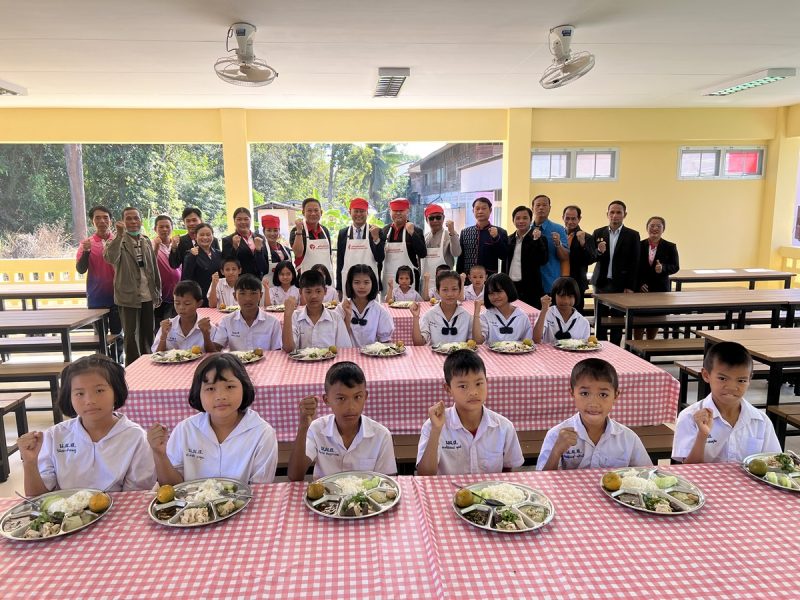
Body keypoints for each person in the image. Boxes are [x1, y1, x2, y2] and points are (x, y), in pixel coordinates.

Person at [18, 355, 156, 495]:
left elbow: (136, 496)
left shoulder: (135, 437)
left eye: (99, 391)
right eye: (79, 393)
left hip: (119, 512)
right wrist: (30, 463)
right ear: (69, 397)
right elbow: (36, 498)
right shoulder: (55, 436)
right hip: (65, 514)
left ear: (116, 391)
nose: (89, 400)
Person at [147, 354, 278, 484]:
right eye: (210, 388)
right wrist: (160, 454)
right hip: (192, 505)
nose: (220, 396)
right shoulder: (185, 430)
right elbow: (173, 487)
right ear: (198, 393)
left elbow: (261, 490)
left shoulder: (262, 434)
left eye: (230, 387)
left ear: (244, 387)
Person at [416, 350, 523, 475]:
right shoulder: (433, 425)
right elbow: (424, 475)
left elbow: (508, 470)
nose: (473, 392)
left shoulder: (504, 427)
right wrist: (436, 430)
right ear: (448, 389)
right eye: (463, 386)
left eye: (479, 383)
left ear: (486, 382)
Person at [672, 342, 780, 464]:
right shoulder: (689, 417)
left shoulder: (760, 421)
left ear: (750, 379)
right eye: (722, 378)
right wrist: (702, 435)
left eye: (741, 380)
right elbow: (689, 470)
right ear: (706, 375)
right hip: (704, 482)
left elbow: (774, 462)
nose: (732, 387)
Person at [287, 361, 397, 481]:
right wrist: (303, 426)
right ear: (326, 399)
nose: (350, 407)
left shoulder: (381, 435)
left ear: (365, 396)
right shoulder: (317, 428)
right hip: (326, 497)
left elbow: (388, 484)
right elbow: (295, 476)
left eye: (357, 397)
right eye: (341, 398)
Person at [537, 358, 652, 470]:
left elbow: (648, 474)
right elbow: (542, 481)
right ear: (572, 393)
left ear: (616, 396)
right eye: (585, 393)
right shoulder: (556, 435)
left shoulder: (628, 438)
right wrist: (556, 451)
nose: (593, 403)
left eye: (603, 395)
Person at [104, 207, 161, 365]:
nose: (133, 222)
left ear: (141, 221)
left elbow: (153, 268)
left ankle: (150, 366)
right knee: (131, 336)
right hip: (128, 296)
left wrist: (157, 290)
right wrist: (119, 235)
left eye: (136, 218)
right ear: (122, 221)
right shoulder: (115, 241)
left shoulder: (146, 240)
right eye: (129, 218)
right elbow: (110, 258)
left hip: (148, 294)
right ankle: (133, 369)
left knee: (148, 334)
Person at [591, 200, 641, 345]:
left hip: (621, 285)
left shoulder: (632, 235)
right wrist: (598, 251)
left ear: (625, 214)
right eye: (612, 212)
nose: (615, 215)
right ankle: (600, 348)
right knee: (600, 320)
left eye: (618, 212)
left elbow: (635, 263)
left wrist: (631, 286)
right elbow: (592, 257)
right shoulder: (598, 232)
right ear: (607, 214)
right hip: (600, 282)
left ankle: (615, 349)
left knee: (617, 321)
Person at [76, 205, 121, 337]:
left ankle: (117, 358)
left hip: (118, 298)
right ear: (92, 222)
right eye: (98, 218)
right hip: (96, 298)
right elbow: (81, 269)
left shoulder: (119, 242)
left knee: (118, 336)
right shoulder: (86, 243)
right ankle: (100, 358)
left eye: (105, 218)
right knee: (99, 337)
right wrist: (86, 252)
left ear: (110, 221)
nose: (102, 221)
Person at [282, 269, 352, 352]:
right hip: (303, 364)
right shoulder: (295, 317)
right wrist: (287, 315)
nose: (314, 296)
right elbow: (288, 348)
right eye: (308, 292)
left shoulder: (335, 318)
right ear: (300, 292)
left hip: (330, 363)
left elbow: (345, 349)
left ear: (325, 291)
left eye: (318, 291)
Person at [635, 216, 680, 340]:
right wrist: (639, 283)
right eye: (652, 226)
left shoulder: (670, 246)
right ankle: (635, 347)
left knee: (655, 319)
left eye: (658, 226)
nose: (655, 228)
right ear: (647, 228)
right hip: (641, 289)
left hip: (660, 289)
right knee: (638, 319)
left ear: (663, 229)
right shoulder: (639, 245)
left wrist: (663, 268)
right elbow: (633, 267)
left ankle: (649, 344)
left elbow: (675, 266)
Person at [212, 274, 282, 351]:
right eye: (242, 293)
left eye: (253, 293)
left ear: (261, 295)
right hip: (236, 362)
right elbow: (217, 347)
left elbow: (277, 351)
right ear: (235, 296)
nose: (248, 298)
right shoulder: (227, 321)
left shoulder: (273, 322)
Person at [336, 197, 385, 297]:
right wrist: (339, 287)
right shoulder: (343, 233)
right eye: (356, 211)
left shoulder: (376, 231)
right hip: (349, 282)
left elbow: (380, 258)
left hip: (369, 282)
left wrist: (376, 239)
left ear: (367, 213)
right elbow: (340, 261)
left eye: (362, 211)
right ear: (350, 212)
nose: (359, 214)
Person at [338, 264, 394, 347]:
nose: (362, 286)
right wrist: (347, 317)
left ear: (373, 284)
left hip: (373, 357)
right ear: (350, 284)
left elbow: (385, 342)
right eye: (357, 282)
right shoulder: (341, 309)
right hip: (346, 357)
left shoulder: (380, 311)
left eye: (366, 282)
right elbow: (339, 340)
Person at [152, 280, 216, 353]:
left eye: (187, 303)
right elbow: (156, 355)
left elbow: (213, 354)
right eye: (177, 303)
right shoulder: (168, 326)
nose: (181, 307)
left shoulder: (208, 326)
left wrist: (206, 334)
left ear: (199, 303)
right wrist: (163, 336)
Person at [503, 205, 548, 309]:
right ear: (513, 220)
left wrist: (536, 241)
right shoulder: (509, 239)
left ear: (530, 219)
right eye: (517, 218)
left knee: (530, 317)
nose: (521, 221)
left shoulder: (539, 238)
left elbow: (543, 260)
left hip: (531, 287)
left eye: (525, 218)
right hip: (511, 286)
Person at [412, 270, 472, 346]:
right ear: (438, 291)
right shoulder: (429, 315)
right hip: (435, 356)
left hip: (460, 356)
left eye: (454, 289)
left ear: (460, 290)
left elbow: (475, 342)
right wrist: (415, 317)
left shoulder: (466, 316)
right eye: (445, 290)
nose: (450, 294)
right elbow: (418, 343)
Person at [381, 197, 427, 292]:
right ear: (390, 212)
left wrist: (412, 234)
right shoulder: (385, 231)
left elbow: (422, 253)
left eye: (401, 210)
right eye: (395, 210)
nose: (398, 213)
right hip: (388, 279)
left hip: (409, 280)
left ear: (407, 211)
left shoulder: (416, 230)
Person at [473, 273, 533, 344]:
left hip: (517, 353)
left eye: (499, 292)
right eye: (491, 293)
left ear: (509, 290)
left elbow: (528, 343)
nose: (495, 296)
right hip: (492, 354)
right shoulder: (486, 315)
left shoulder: (521, 316)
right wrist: (476, 314)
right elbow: (478, 341)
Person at [456, 197, 508, 276]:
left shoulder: (500, 232)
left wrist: (496, 238)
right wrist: (458, 276)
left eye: (484, 208)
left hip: (489, 278)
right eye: (477, 209)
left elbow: (503, 256)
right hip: (468, 278)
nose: (480, 211)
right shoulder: (465, 232)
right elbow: (460, 259)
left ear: (490, 210)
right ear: (473, 211)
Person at [533, 277, 592, 344]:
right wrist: (543, 311)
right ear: (554, 296)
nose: (565, 301)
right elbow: (536, 340)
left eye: (570, 296)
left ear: (576, 297)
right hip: (549, 354)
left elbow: (585, 347)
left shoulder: (583, 322)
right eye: (561, 296)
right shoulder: (547, 314)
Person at [531, 194, 569, 295]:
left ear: (550, 208)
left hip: (550, 282)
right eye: (538, 205)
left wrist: (558, 244)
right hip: (529, 284)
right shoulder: (526, 230)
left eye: (544, 205)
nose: (541, 208)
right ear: (532, 208)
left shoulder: (558, 229)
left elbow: (565, 256)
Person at [562, 205, 596, 313]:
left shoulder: (587, 237)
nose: (570, 222)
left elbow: (590, 259)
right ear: (563, 217)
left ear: (579, 219)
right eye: (567, 218)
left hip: (576, 282)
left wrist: (583, 244)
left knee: (577, 313)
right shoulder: (558, 235)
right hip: (558, 280)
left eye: (573, 218)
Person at [290, 197, 333, 281]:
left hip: (324, 279)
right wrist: (299, 230)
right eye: (309, 210)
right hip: (306, 279)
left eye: (316, 210)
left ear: (321, 212)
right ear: (303, 212)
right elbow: (298, 253)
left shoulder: (325, 231)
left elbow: (329, 256)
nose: (313, 213)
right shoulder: (296, 230)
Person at [181, 223, 222, 307]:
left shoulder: (218, 253)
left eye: (208, 234)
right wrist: (192, 257)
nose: (205, 237)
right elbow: (186, 278)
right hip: (200, 298)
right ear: (195, 237)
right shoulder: (191, 254)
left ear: (213, 236)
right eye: (202, 235)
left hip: (218, 297)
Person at [221, 207, 267, 278]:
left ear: (250, 220)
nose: (243, 222)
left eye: (246, 219)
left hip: (258, 281)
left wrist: (258, 251)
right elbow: (227, 264)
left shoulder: (260, 238)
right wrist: (235, 247)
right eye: (239, 219)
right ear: (234, 221)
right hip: (240, 281)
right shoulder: (228, 240)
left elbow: (264, 265)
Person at [152, 215, 182, 323]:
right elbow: (150, 265)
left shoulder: (179, 244)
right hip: (160, 296)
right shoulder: (150, 245)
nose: (165, 229)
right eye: (161, 227)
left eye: (167, 226)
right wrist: (156, 247)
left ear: (172, 228)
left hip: (178, 295)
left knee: (176, 326)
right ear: (155, 229)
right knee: (161, 329)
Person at [421, 204, 461, 280]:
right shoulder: (424, 237)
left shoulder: (449, 235)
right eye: (431, 218)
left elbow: (456, 253)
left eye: (438, 217)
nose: (435, 220)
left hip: (445, 281)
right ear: (426, 220)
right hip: (426, 281)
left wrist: (452, 232)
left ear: (443, 218)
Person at [261, 214, 292, 287]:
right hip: (269, 289)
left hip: (286, 289)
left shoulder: (286, 250)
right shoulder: (261, 251)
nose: (272, 234)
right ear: (264, 231)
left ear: (279, 231)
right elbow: (262, 269)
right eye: (269, 230)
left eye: (275, 230)